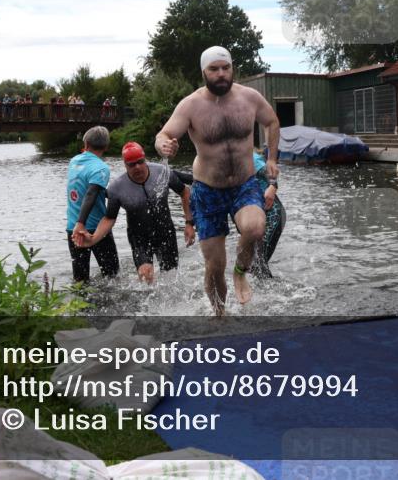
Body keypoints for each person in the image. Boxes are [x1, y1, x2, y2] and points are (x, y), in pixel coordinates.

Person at [156, 46, 280, 315]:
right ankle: (219, 314)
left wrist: (272, 158)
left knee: (255, 228)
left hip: (244, 184)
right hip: (207, 190)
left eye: (226, 68)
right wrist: (165, 146)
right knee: (214, 267)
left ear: (232, 68)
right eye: (214, 69)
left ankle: (241, 272)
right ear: (204, 72)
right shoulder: (191, 105)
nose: (221, 74)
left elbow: (271, 122)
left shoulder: (250, 98)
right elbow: (163, 134)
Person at [75, 142, 196, 283]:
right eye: (132, 164)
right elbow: (109, 218)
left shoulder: (162, 172)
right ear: (125, 165)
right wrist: (93, 238)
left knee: (171, 277)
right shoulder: (117, 187)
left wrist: (189, 223)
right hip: (139, 238)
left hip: (165, 233)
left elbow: (184, 192)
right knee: (146, 277)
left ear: (145, 160)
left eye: (140, 162)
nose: (137, 167)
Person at [175, 150, 283, 278]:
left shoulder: (249, 157)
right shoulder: (219, 165)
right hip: (250, 217)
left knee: (258, 263)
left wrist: (272, 187)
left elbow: (271, 173)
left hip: (272, 214)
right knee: (253, 264)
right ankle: (266, 292)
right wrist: (171, 174)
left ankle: (272, 294)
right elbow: (199, 182)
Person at [66, 126, 118, 282]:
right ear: (106, 147)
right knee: (112, 275)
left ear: (86, 143)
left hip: (72, 228)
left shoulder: (73, 161)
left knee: (80, 280)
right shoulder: (101, 168)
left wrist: (77, 224)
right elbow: (91, 193)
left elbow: (86, 190)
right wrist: (81, 223)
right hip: (95, 229)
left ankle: (82, 307)